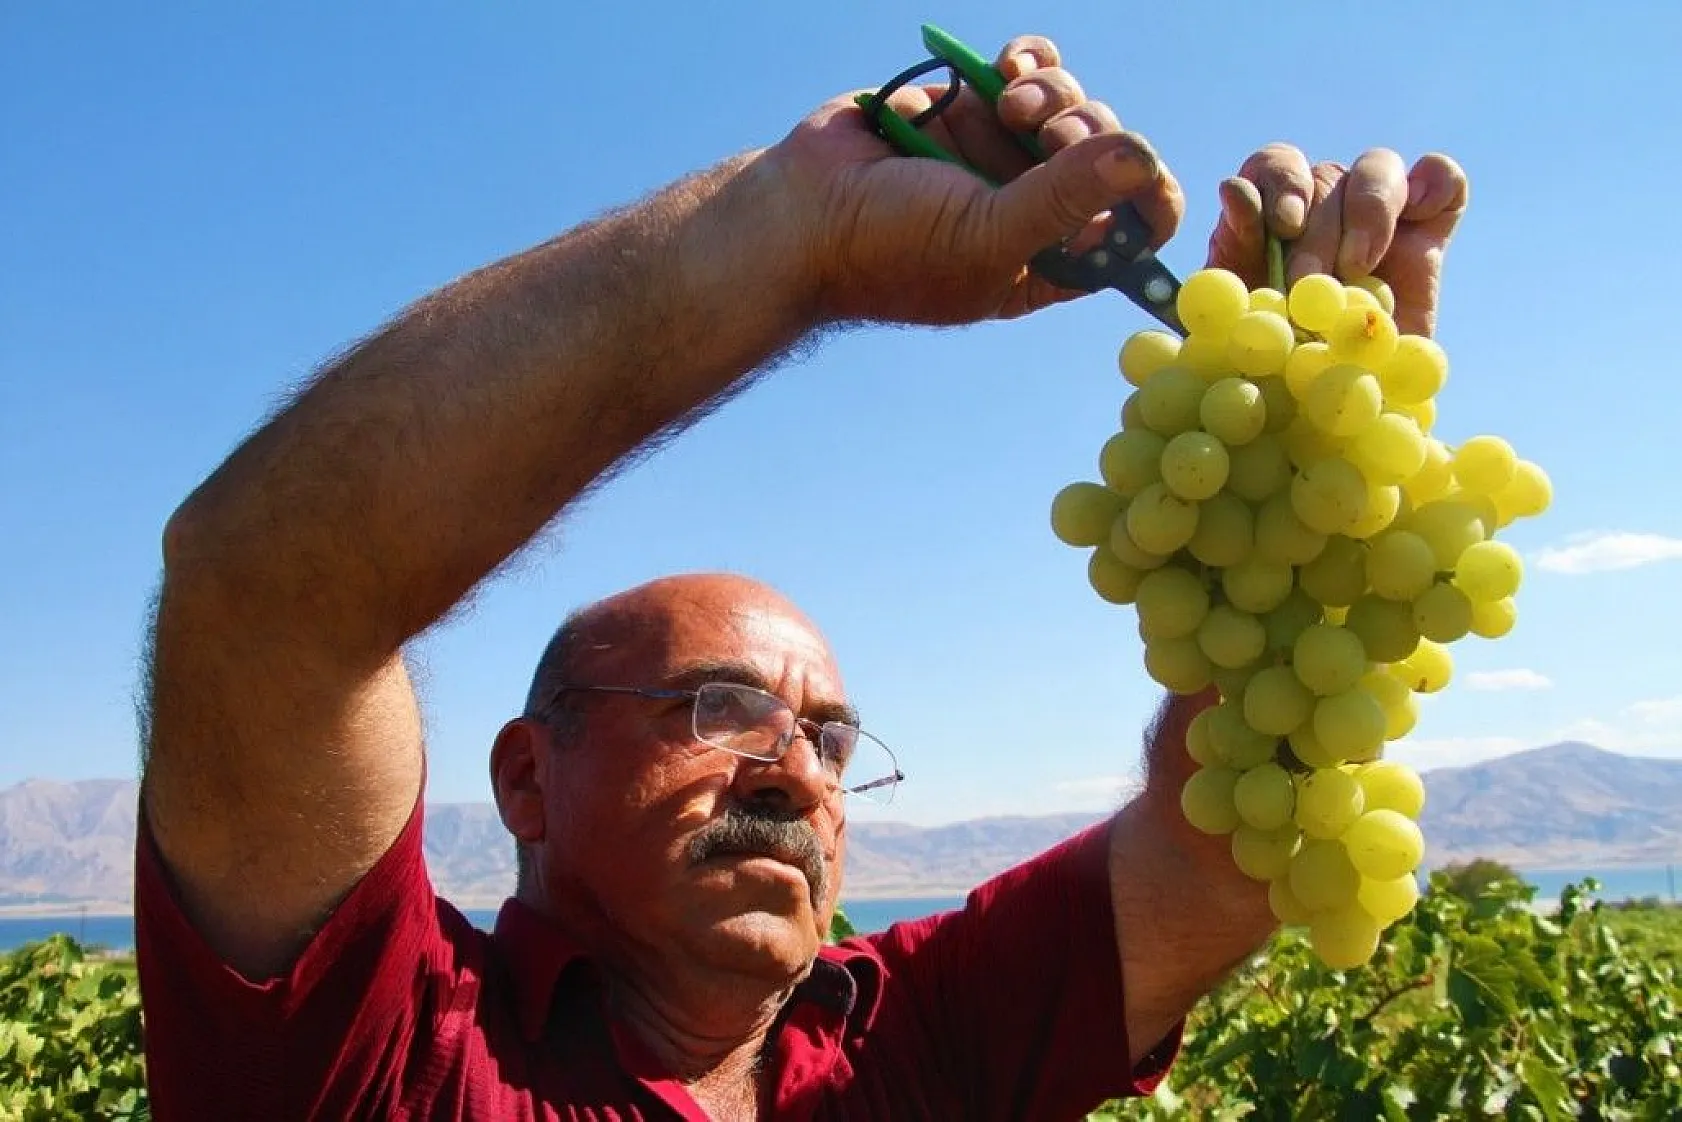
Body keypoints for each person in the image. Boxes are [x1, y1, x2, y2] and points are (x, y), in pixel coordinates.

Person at [133, 32, 1467, 1122]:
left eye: (828, 738)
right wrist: (791, 237)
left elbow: (1235, 839)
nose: (793, 771)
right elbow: (262, 589)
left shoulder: (910, 1034)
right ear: (529, 778)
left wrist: (1293, 490)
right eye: (715, 709)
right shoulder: (390, 1058)